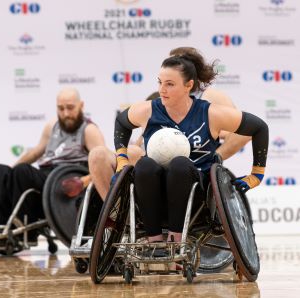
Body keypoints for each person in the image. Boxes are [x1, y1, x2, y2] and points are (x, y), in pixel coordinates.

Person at [112, 53, 268, 247]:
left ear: (188, 85)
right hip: (153, 192)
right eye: (160, 82)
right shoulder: (148, 110)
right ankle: (155, 242)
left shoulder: (210, 113)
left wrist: (257, 174)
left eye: (169, 84)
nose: (162, 90)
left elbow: (259, 127)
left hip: (196, 195)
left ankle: (176, 240)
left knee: (180, 164)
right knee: (144, 164)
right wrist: (121, 159)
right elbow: (121, 122)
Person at [89, 47, 252, 200]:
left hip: (188, 166)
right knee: (101, 154)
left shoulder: (211, 97)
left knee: (140, 154)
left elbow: (244, 133)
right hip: (154, 160)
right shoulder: (162, 97)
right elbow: (145, 135)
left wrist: (218, 155)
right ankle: (115, 211)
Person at [0, 87, 105, 241]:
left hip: (64, 182)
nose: (66, 114)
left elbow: (102, 164)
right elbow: (36, 153)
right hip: (46, 177)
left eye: (70, 108)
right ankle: (1, 226)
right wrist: (10, 170)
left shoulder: (89, 130)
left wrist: (83, 181)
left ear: (81, 105)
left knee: (22, 171)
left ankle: (25, 230)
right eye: (61, 108)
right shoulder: (52, 126)